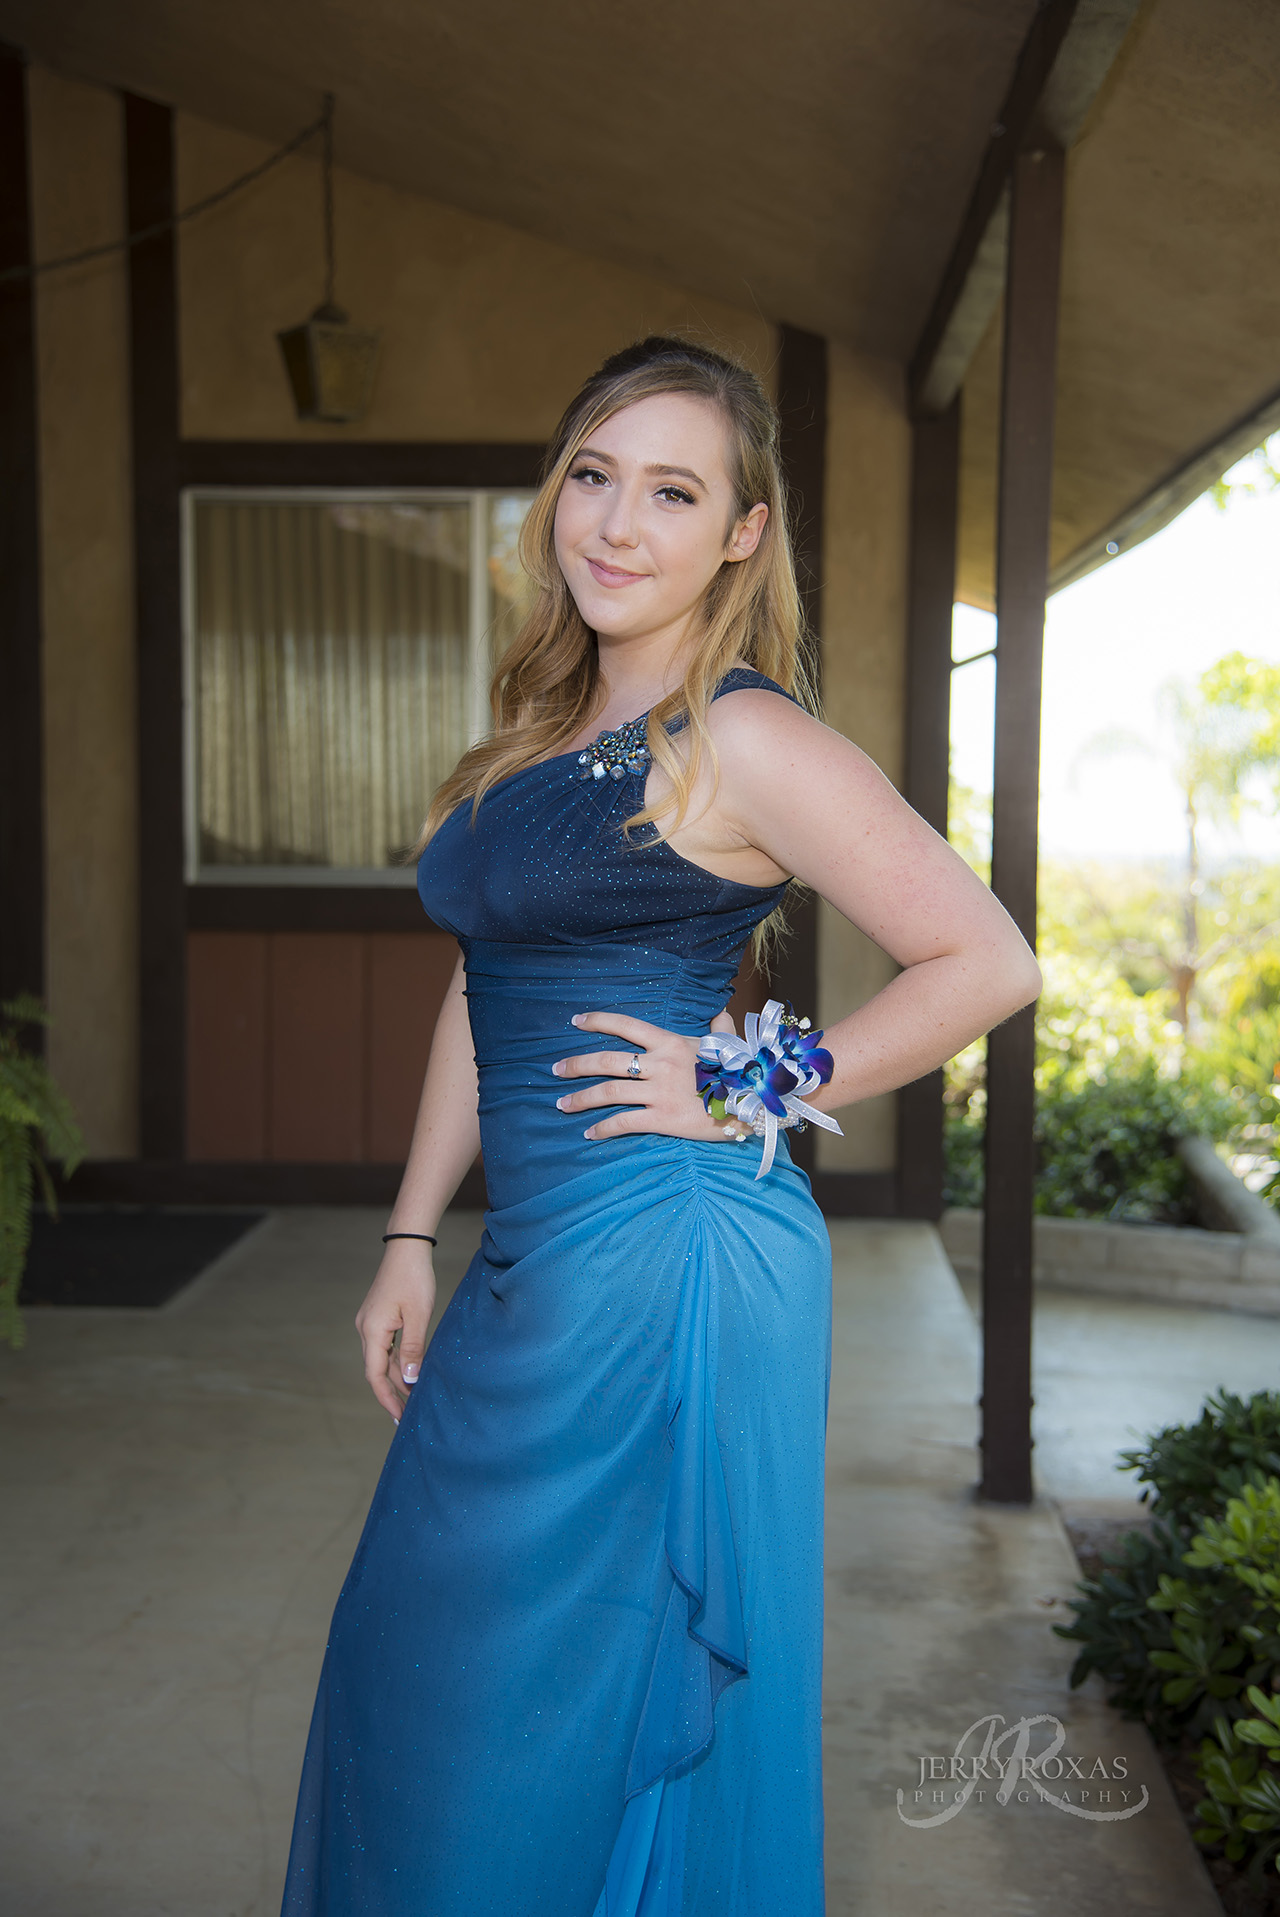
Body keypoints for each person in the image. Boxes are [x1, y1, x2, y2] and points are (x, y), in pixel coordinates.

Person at [280, 336, 1041, 1917]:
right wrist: (412, 1230)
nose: (618, 524)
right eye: (595, 476)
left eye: (674, 492)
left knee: (554, 1717)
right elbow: (483, 986)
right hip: (527, 1267)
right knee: (413, 1669)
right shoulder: (541, 724)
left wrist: (745, 1083)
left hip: (668, 1266)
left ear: (744, 532)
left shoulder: (743, 736)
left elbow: (987, 959)